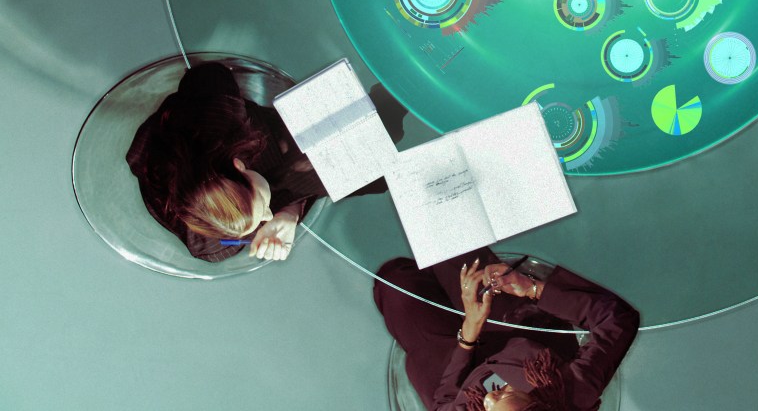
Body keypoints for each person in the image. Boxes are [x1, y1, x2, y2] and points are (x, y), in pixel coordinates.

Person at [126, 61, 406, 263]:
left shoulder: (216, 118)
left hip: (263, 136)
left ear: (238, 165)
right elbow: (241, 234)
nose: (268, 216)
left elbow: (210, 75)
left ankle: (394, 97)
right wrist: (289, 214)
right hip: (286, 182)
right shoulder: (214, 242)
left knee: (365, 138)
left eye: (263, 209)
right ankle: (394, 106)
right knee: (371, 169)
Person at [374, 248, 639, 411]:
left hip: (451, 365)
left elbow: (445, 404)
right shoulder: (573, 390)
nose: (487, 400)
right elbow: (617, 320)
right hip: (515, 328)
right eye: (504, 396)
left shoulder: (481, 404)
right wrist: (531, 288)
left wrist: (469, 333)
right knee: (447, 240)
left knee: (394, 284)